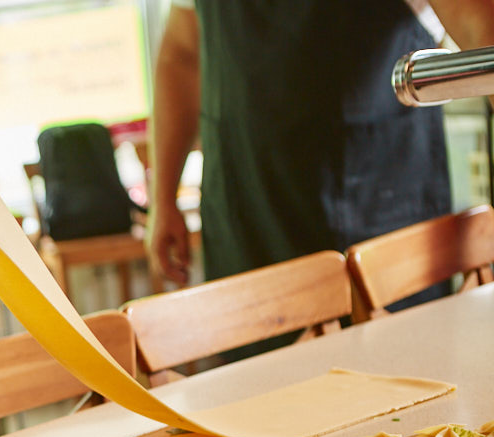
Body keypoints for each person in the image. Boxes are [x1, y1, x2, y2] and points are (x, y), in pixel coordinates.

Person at [148, 0, 494, 302]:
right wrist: (162, 198)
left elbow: (482, 29)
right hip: (244, 221)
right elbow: (182, 53)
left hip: (377, 228)